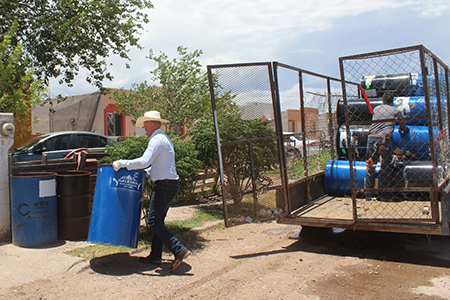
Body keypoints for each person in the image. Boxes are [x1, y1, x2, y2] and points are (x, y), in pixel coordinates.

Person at [112, 111, 191, 271]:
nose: (144, 129)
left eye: (144, 126)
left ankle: (178, 249)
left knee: (154, 220)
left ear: (150, 123)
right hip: (169, 184)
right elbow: (157, 166)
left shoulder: (156, 140)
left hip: (165, 185)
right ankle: (155, 256)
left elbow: (144, 161)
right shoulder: (163, 139)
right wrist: (147, 173)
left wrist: (122, 163)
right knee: (158, 221)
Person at [365, 92, 405, 201]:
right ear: (392, 102)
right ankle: (385, 195)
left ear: (383, 101)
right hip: (384, 140)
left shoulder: (377, 108)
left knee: (370, 165)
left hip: (372, 137)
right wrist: (402, 129)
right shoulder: (396, 111)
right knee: (385, 167)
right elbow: (402, 125)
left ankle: (368, 193)